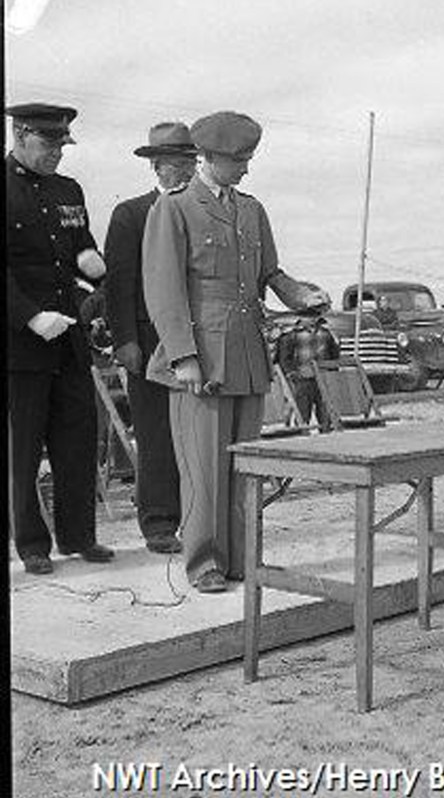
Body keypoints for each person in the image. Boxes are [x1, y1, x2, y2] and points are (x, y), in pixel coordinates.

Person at [142, 110, 329, 593]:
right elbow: (163, 288)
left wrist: (299, 295)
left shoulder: (251, 210)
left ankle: (243, 558)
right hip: (201, 358)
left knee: (245, 465)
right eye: (238, 160)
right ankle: (204, 562)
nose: (246, 168)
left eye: (248, 159)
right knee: (204, 467)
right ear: (209, 157)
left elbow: (270, 273)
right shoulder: (174, 208)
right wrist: (183, 356)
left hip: (246, 352)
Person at [6, 102, 115, 574]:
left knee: (77, 439)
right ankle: (32, 543)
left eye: (61, 145)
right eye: (48, 143)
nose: (57, 153)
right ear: (19, 135)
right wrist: (30, 317)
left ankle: (79, 536)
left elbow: (78, 246)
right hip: (21, 342)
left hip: (68, 336)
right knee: (24, 447)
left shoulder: (68, 189)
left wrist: (91, 262)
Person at [103, 123, 197, 554]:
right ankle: (159, 523)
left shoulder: (204, 211)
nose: (186, 171)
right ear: (156, 166)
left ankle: (199, 518)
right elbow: (118, 284)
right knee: (157, 434)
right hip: (149, 341)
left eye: (191, 162)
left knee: (197, 434)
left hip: (199, 340)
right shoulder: (131, 214)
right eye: (176, 163)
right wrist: (125, 340)